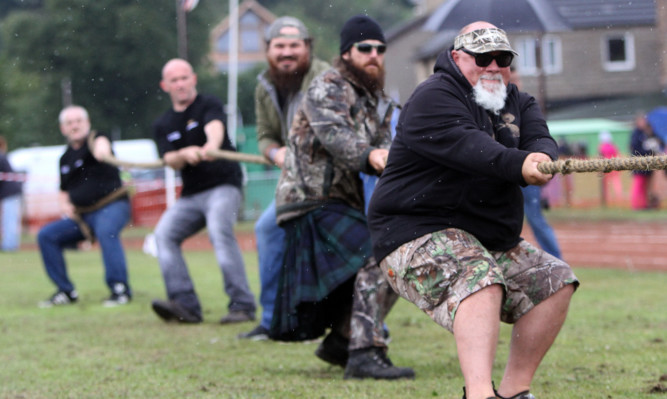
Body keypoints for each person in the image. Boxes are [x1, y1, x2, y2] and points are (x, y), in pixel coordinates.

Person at [368, 22, 578, 399]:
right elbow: (472, 148)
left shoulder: (520, 101)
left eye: (503, 58)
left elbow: (541, 138)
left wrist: (542, 157)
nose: (493, 66)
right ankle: (479, 395)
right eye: (482, 58)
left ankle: (515, 391)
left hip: (486, 238)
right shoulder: (433, 97)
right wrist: (519, 164)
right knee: (478, 278)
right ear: (456, 58)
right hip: (414, 231)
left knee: (555, 282)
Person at [272, 15, 414, 380]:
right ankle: (364, 352)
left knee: (400, 254)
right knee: (384, 252)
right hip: (310, 199)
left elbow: (392, 149)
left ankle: (343, 340)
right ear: (346, 53)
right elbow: (339, 139)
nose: (374, 55)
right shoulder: (327, 86)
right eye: (364, 48)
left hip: (338, 202)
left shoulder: (376, 101)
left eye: (380, 49)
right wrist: (371, 156)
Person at [238, 16, 330, 341]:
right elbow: (265, 135)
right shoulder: (265, 85)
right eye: (280, 46)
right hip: (295, 182)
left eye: (294, 45)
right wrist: (275, 153)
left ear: (307, 47)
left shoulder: (326, 78)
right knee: (267, 229)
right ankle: (272, 321)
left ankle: (362, 328)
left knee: (339, 245)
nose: (287, 52)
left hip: (335, 183)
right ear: (268, 50)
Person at [150, 58, 256, 324]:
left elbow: (215, 128)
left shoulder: (208, 104)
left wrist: (210, 145)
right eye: (174, 80)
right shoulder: (162, 124)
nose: (180, 84)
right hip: (191, 194)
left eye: (184, 77)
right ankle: (184, 305)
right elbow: (169, 159)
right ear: (165, 85)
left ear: (193, 79)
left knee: (219, 229)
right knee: (163, 236)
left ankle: (242, 305)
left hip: (223, 185)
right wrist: (183, 154)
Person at [37, 105, 132, 308]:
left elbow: (102, 145)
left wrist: (102, 149)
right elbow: (63, 191)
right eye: (69, 122)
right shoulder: (64, 158)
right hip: (83, 216)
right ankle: (66, 291)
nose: (75, 126)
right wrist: (65, 205)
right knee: (46, 236)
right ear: (63, 128)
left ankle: (119, 289)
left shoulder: (97, 138)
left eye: (78, 121)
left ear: (87, 124)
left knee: (107, 231)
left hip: (112, 206)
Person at [510, 66, 561, 259]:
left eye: (517, 79)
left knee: (536, 219)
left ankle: (556, 260)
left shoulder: (524, 104)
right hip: (503, 172)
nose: (516, 83)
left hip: (528, 174)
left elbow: (541, 136)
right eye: (512, 79)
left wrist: (542, 156)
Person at [629, 111, 663, 210]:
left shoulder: (648, 132)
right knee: (638, 185)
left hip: (648, 165)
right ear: (638, 121)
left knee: (646, 186)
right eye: (642, 120)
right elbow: (635, 148)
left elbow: (659, 142)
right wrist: (647, 148)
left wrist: (654, 145)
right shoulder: (636, 134)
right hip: (639, 164)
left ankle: (644, 204)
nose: (644, 122)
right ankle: (636, 205)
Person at [0, 136, 23, 252]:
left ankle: (10, 245)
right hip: (9, 193)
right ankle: (8, 244)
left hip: (10, 193)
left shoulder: (0, 156)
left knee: (10, 219)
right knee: (9, 219)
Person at [598, 130, 623, 205]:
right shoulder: (613, 146)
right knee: (615, 181)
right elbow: (618, 154)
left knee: (607, 182)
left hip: (606, 166)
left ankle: (608, 197)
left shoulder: (602, 147)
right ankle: (618, 195)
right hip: (613, 165)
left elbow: (600, 156)